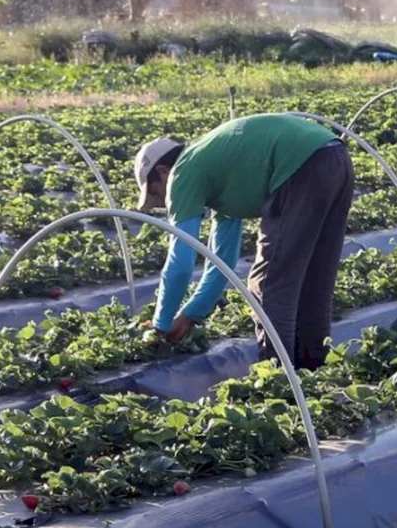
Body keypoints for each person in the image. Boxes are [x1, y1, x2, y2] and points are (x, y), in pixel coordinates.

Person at [134, 113, 355, 370]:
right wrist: (190, 314)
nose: (161, 201)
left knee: (268, 285)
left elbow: (182, 261)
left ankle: (280, 382)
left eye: (155, 192)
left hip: (300, 165)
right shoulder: (216, 168)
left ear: (163, 172)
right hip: (334, 156)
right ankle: (312, 373)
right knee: (313, 281)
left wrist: (161, 325)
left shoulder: (184, 172)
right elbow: (222, 262)